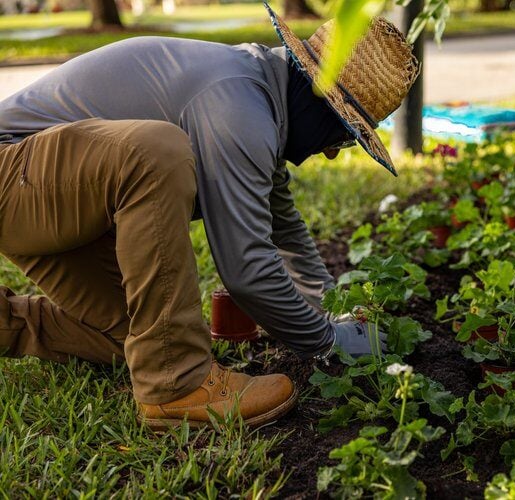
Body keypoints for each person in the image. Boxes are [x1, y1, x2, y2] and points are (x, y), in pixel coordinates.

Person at [0, 4, 419, 430]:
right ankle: (178, 386)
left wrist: (333, 310)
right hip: (12, 176)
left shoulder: (261, 94)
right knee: (154, 152)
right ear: (319, 105)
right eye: (345, 135)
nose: (330, 152)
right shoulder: (239, 107)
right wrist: (327, 342)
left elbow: (283, 227)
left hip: (51, 197)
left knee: (147, 342)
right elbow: (247, 271)